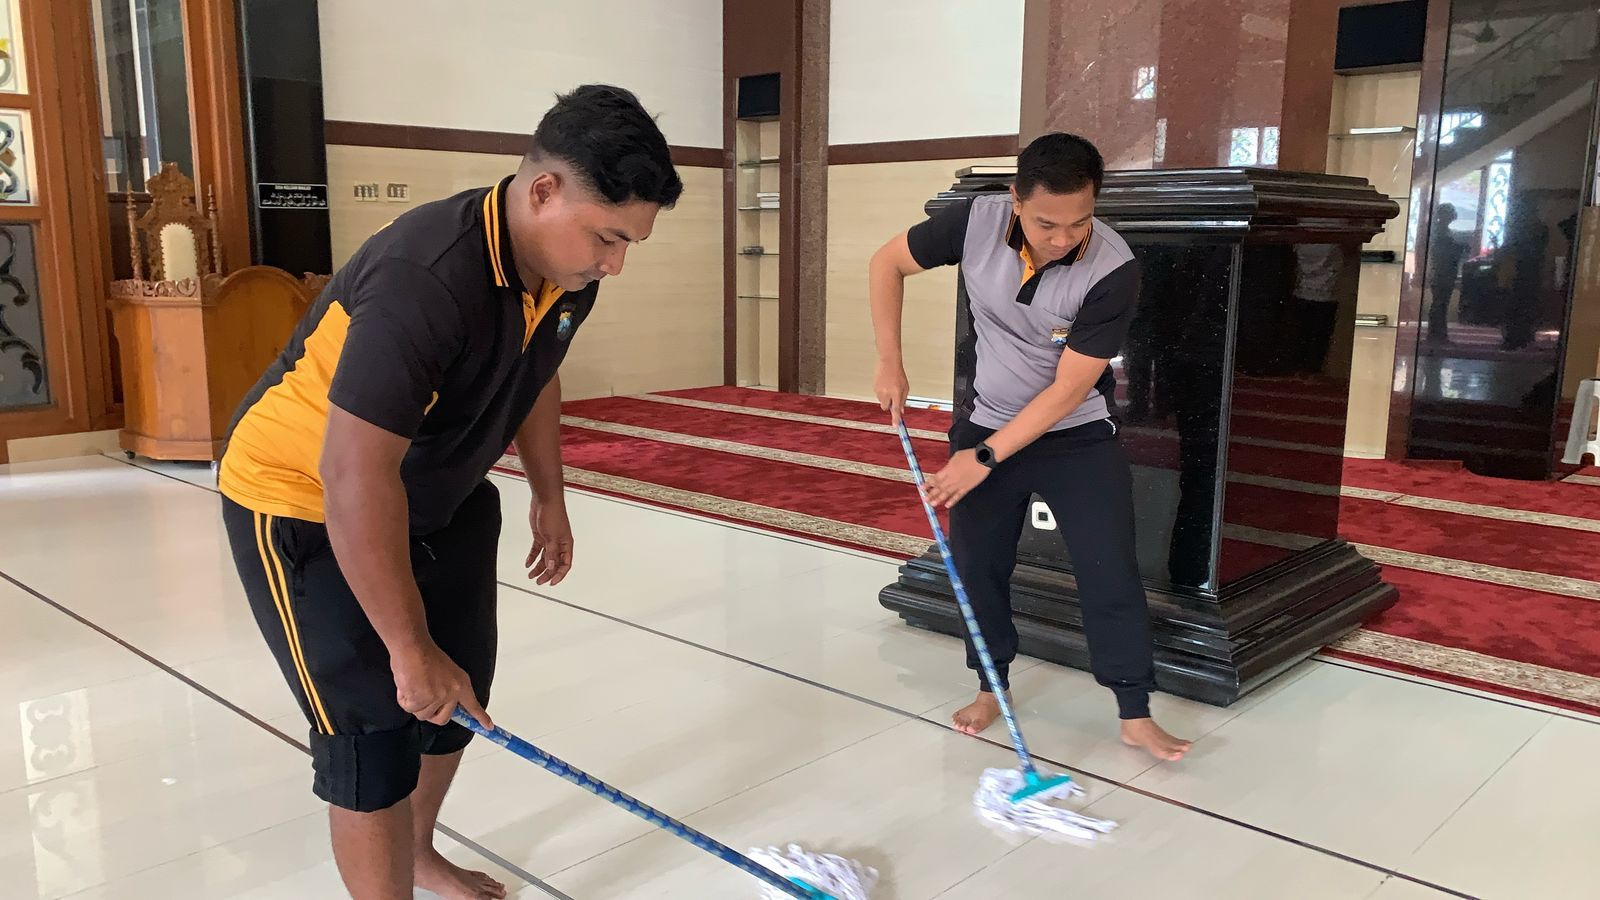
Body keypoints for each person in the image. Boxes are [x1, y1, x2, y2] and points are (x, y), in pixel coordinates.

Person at [216, 85, 682, 900]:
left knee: (456, 693)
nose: (614, 264)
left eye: (629, 244)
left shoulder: (565, 268)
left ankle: (419, 853)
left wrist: (549, 494)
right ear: (543, 191)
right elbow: (352, 475)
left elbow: (536, 368)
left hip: (438, 488)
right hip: (304, 499)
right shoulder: (425, 277)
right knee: (370, 734)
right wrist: (407, 648)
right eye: (609, 238)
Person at [867, 132, 1190, 762]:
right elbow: (887, 263)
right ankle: (991, 687)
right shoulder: (975, 222)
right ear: (1016, 199)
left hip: (1076, 437)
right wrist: (889, 360)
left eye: (1079, 221)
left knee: (1109, 568)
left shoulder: (1114, 269)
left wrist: (984, 459)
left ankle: (1134, 709)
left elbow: (1069, 391)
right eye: (1046, 223)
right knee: (979, 564)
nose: (1063, 238)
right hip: (986, 420)